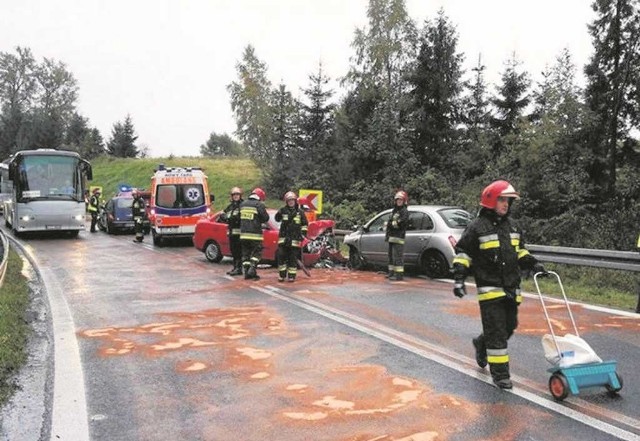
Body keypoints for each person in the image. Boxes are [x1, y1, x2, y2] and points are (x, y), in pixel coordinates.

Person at [452, 180, 545, 390]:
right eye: (502, 199)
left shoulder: (513, 226)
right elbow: (464, 253)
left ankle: (481, 343)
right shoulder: (477, 227)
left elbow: (520, 251)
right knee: (496, 332)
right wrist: (459, 278)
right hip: (490, 289)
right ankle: (501, 375)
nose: (506, 204)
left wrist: (533, 264)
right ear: (491, 200)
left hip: (511, 288)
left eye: (508, 201)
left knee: (508, 327)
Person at [275, 191, 308, 282]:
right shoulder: (283, 210)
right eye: (289, 200)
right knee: (281, 256)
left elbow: (305, 224)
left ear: (295, 201)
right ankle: (282, 275)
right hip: (283, 239)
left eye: (292, 200)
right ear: (286, 201)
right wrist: (279, 213)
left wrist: (303, 234)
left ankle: (291, 276)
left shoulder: (300, 212)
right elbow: (277, 219)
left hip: (294, 239)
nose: (291, 202)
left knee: (292, 259)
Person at [239, 187, 269, 280]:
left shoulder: (242, 204)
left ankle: (247, 273)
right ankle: (252, 268)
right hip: (255, 235)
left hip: (243, 235)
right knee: (257, 253)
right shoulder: (259, 205)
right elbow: (265, 218)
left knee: (245, 254)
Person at [385, 190, 409, 281]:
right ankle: (391, 273)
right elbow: (390, 222)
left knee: (398, 257)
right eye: (397, 200)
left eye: (400, 200)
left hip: (398, 237)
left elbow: (401, 223)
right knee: (390, 257)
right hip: (391, 237)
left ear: (404, 201)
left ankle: (399, 276)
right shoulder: (394, 211)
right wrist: (391, 224)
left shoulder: (404, 211)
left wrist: (392, 224)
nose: (399, 201)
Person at [220, 187, 244, 276]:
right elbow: (222, 215)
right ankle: (235, 268)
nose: (236, 196)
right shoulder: (230, 206)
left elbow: (238, 218)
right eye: (234, 195)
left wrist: (229, 218)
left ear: (240, 195)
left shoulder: (242, 205)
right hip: (231, 234)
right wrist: (225, 217)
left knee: (239, 252)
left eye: (237, 195)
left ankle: (239, 268)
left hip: (240, 234)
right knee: (233, 251)